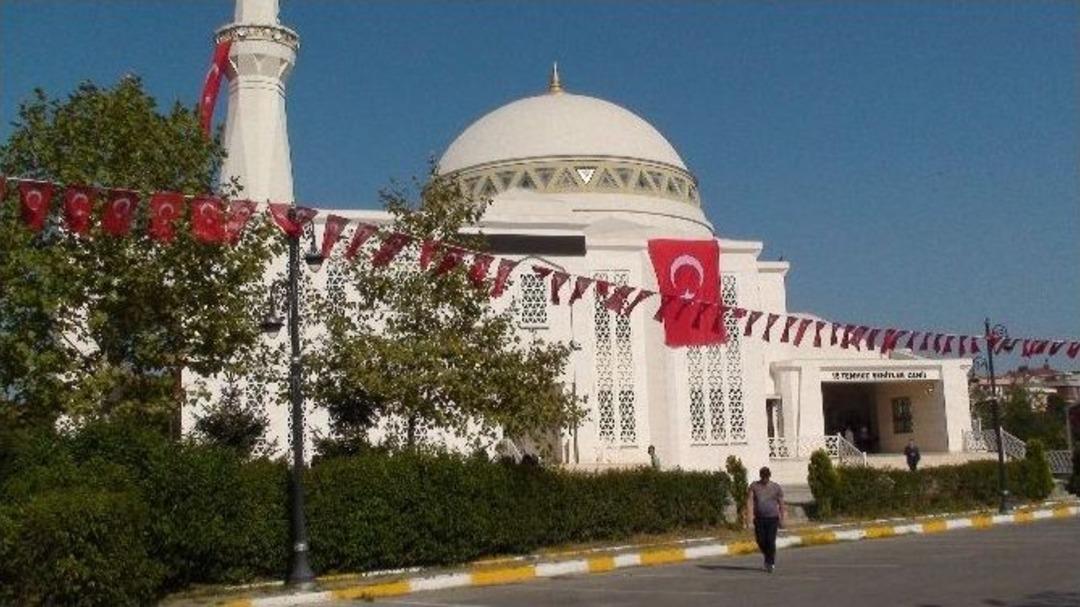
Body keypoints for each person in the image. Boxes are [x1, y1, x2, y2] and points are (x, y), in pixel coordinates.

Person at [746, 466, 785, 573]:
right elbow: (750, 502)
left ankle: (770, 562)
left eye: (766, 476)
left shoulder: (776, 487)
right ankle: (768, 557)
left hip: (773, 518)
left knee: (770, 541)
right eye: (763, 476)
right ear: (760, 476)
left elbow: (781, 503)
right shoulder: (754, 486)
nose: (765, 479)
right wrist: (749, 518)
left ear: (769, 476)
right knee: (761, 541)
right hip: (759, 518)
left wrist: (782, 518)